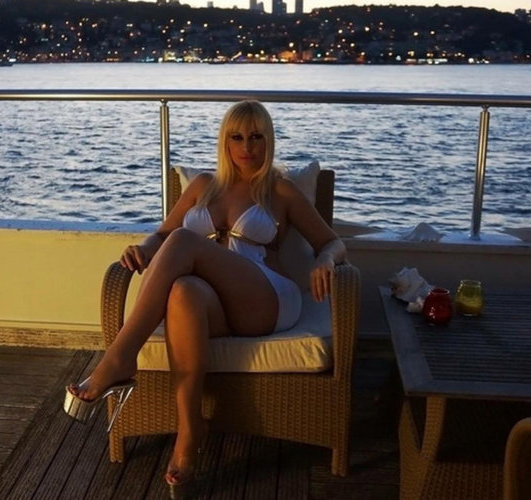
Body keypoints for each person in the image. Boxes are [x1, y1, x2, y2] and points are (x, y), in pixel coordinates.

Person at [63, 100, 346, 495]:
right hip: (213, 304)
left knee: (184, 241)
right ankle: (190, 429)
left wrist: (325, 262)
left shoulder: (279, 189)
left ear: (268, 141)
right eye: (237, 137)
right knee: (183, 291)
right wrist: (142, 249)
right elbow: (161, 235)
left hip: (266, 299)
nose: (247, 147)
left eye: (256, 137)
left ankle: (120, 358)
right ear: (224, 142)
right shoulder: (202, 186)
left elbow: (332, 242)